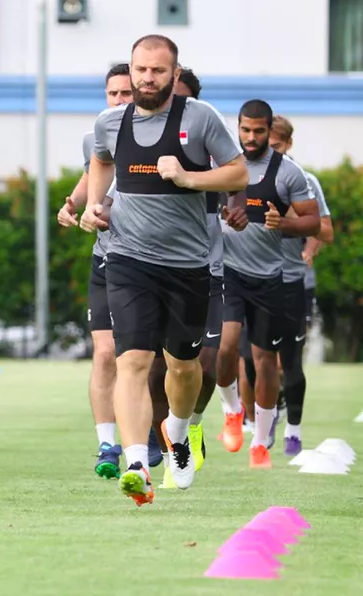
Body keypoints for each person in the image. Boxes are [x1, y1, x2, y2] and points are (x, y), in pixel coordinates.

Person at [83, 34, 248, 505]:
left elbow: (238, 173)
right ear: (130, 71)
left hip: (189, 265)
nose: (147, 78)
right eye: (140, 70)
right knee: (131, 360)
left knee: (183, 365)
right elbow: (100, 160)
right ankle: (136, 464)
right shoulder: (110, 122)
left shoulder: (200, 117)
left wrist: (189, 177)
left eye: (158, 71)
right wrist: (95, 204)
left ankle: (177, 428)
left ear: (174, 75)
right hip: (128, 259)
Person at [215, 100, 319, 469]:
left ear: (268, 130)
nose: (252, 137)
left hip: (270, 278)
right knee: (226, 348)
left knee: (265, 362)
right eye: (246, 130)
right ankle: (231, 410)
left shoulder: (289, 173)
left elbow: (314, 224)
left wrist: (284, 224)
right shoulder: (223, 165)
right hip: (229, 272)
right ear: (238, 128)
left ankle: (260, 442)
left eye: (259, 131)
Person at [151, 67, 237, 489]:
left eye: (178, 97)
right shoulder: (139, 130)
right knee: (151, 367)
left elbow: (238, 174)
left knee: (206, 359)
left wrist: (234, 204)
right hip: (151, 266)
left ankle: (192, 424)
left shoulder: (206, 125)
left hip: (207, 266)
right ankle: (168, 449)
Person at [56, 63, 134, 479]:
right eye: (113, 94)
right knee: (105, 354)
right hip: (107, 255)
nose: (120, 101)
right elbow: (90, 181)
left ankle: (158, 432)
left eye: (127, 93)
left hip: (152, 261)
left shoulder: (158, 134)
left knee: (148, 359)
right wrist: (69, 207)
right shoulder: (97, 136)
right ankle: (108, 444)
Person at [260, 115, 333, 456]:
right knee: (257, 357)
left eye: (275, 146)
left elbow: (325, 231)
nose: (269, 152)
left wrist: (307, 252)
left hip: (294, 280)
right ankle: (262, 418)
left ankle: (293, 428)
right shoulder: (246, 173)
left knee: (287, 360)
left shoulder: (304, 181)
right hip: (256, 281)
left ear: (288, 145)